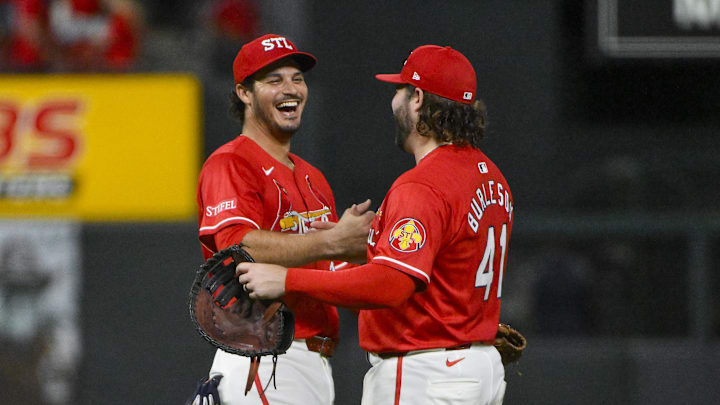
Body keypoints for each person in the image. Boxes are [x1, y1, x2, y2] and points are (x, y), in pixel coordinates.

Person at [238, 44, 514, 405]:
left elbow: (391, 285)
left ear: (417, 99)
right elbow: (443, 268)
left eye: (399, 90)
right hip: (477, 367)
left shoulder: (423, 184)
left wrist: (288, 279)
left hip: (426, 372)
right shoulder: (493, 178)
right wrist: (369, 251)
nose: (394, 100)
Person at [193, 33, 374, 405]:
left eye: (297, 78)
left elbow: (329, 271)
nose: (290, 88)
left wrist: (361, 253)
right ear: (244, 93)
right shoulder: (231, 163)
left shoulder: (314, 177)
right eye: (274, 80)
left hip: (311, 361)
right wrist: (332, 241)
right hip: (265, 358)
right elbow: (237, 246)